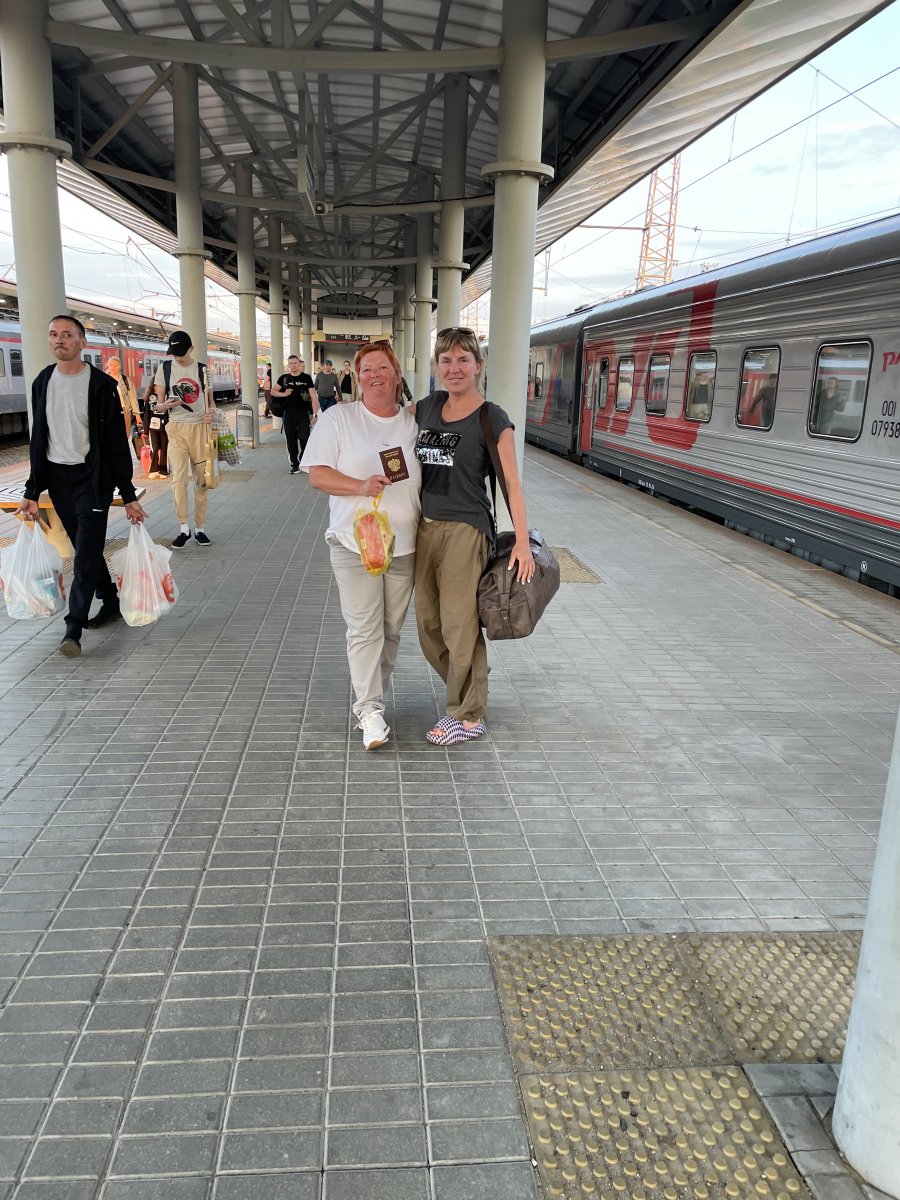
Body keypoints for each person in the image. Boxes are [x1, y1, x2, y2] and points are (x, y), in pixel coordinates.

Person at [413, 327, 534, 747]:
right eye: (445, 360)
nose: (454, 368)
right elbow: (384, 425)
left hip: (467, 528)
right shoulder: (427, 407)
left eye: (463, 360)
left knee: (458, 623)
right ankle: (471, 687)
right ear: (437, 366)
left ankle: (467, 713)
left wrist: (522, 541)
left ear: (478, 366)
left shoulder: (491, 417)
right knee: (428, 623)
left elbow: (512, 484)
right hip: (425, 526)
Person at [301, 341, 421, 751]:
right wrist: (360, 486)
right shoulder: (339, 418)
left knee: (390, 630)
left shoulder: (412, 423)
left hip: (404, 544)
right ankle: (369, 710)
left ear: (397, 374)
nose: (374, 375)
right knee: (365, 627)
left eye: (382, 367)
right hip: (355, 543)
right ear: (356, 376)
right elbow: (317, 475)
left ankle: (373, 699)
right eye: (366, 369)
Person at [16, 315, 147, 657]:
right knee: (84, 547)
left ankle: (73, 629)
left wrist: (128, 495)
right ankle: (110, 599)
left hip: (92, 480)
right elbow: (39, 439)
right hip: (59, 480)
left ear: (82, 342)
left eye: (67, 335)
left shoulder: (102, 386)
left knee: (85, 556)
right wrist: (32, 491)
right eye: (53, 334)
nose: (58, 340)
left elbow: (116, 444)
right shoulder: (43, 381)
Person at [148, 330, 216, 548]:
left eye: (181, 352)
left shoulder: (203, 370)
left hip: (200, 429)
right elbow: (158, 404)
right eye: (174, 352)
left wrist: (211, 412)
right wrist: (164, 405)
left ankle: (200, 528)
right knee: (178, 479)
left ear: (191, 349)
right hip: (176, 429)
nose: (177, 356)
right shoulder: (165, 368)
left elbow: (211, 402)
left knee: (201, 480)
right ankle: (183, 527)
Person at [271, 354, 315, 474]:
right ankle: (295, 464)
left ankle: (303, 458)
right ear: (288, 365)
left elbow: (313, 396)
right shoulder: (284, 378)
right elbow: (273, 391)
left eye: (295, 363)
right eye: (291, 363)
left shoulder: (306, 378)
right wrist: (284, 394)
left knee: (304, 438)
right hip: (289, 413)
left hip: (303, 412)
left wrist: (315, 415)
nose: (293, 365)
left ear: (299, 364)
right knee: (291, 439)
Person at [106, 357, 142, 460]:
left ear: (120, 366)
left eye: (116, 365)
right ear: (108, 366)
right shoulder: (104, 379)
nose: (113, 367)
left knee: (124, 435)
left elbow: (132, 398)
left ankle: (121, 456)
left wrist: (137, 415)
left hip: (125, 411)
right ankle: (112, 456)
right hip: (110, 412)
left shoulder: (126, 380)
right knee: (111, 435)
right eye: (111, 365)